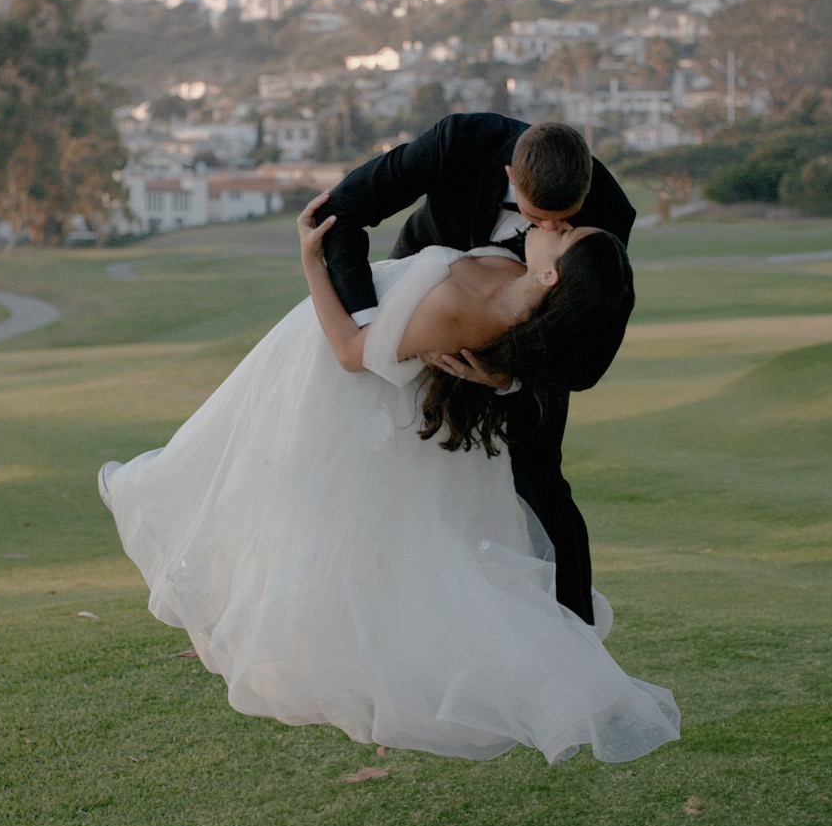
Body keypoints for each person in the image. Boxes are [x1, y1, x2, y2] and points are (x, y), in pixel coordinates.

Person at [98, 195, 678, 764]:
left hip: (328, 373)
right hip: (324, 370)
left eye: (568, 232)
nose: (557, 223)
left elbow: (352, 352)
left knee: (261, 515)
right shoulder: (513, 281)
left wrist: (310, 263)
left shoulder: (471, 311)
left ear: (552, 274)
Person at [314, 114, 635, 626]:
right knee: (387, 465)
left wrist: (508, 377)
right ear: (510, 175)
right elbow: (341, 212)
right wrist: (383, 331)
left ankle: (576, 634)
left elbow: (583, 334)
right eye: (539, 216)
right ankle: (361, 617)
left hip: (525, 348)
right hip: (422, 307)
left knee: (539, 479)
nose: (550, 229)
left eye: (565, 220)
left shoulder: (612, 212)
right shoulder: (459, 143)